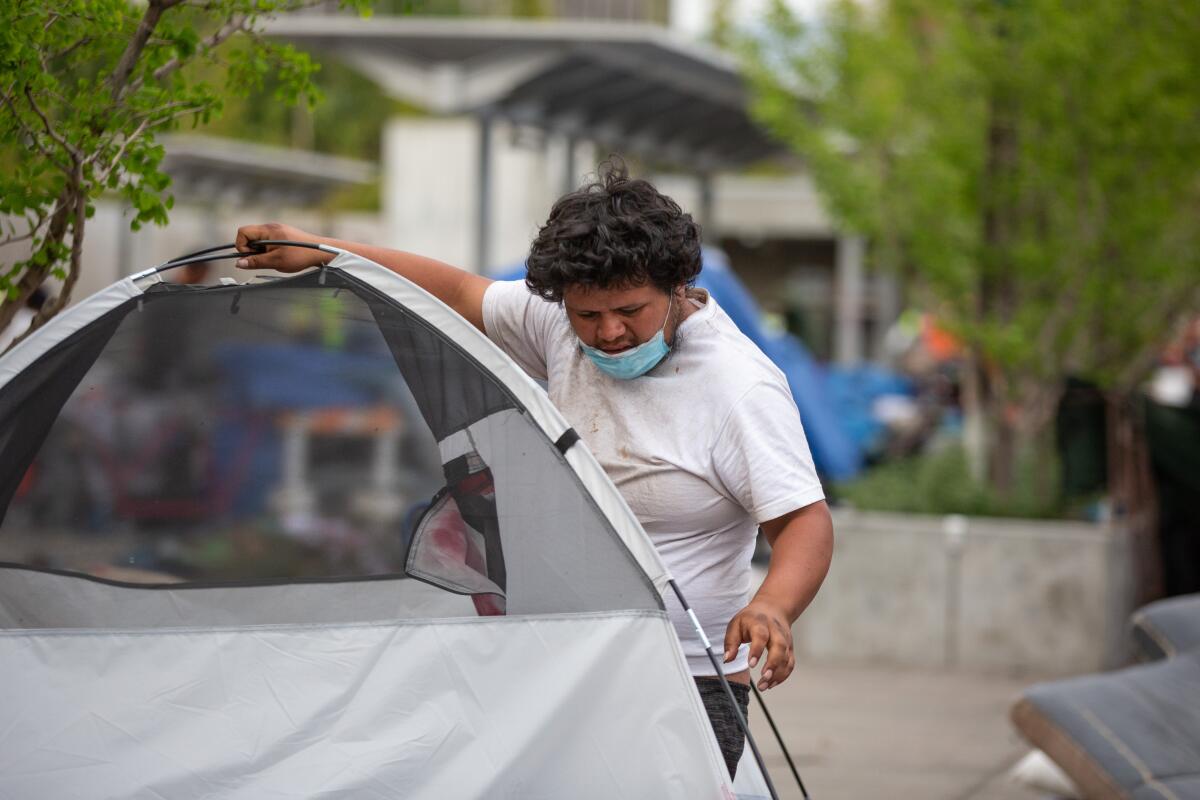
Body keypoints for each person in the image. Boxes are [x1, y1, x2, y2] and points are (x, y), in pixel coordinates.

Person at [235, 161, 834, 778]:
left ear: (678, 286)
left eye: (630, 310)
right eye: (587, 316)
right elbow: (462, 293)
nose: (609, 333)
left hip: (684, 669)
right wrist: (322, 251)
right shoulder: (556, 322)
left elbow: (803, 522)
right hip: (556, 650)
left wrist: (773, 607)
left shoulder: (739, 388)